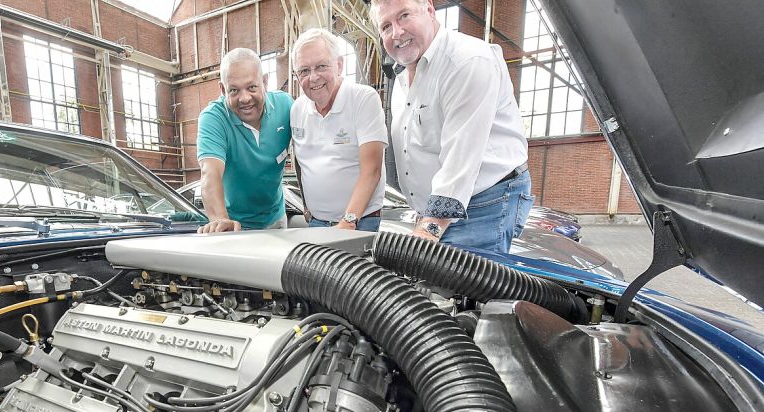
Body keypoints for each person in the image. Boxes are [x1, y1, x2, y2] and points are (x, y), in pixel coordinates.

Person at [371, 0, 533, 253]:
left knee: (466, 287)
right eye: (386, 26)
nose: (397, 32)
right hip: (434, 210)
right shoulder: (403, 73)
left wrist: (428, 230)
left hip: (482, 203)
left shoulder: (467, 61)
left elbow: (460, 159)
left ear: (430, 9)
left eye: (404, 16)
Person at [289, 28, 387, 232]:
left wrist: (349, 221)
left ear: (339, 65)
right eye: (304, 71)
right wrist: (306, 204)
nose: (313, 77)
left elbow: (372, 170)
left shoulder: (363, 99)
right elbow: (300, 161)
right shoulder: (297, 108)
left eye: (321, 66)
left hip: (360, 223)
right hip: (316, 223)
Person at [196, 48, 293, 233]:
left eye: (252, 87)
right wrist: (220, 219)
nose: (245, 98)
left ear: (264, 81)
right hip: (236, 224)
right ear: (223, 90)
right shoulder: (213, 118)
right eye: (234, 90)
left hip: (277, 217)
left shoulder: (286, 106)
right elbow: (210, 173)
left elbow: (307, 157)